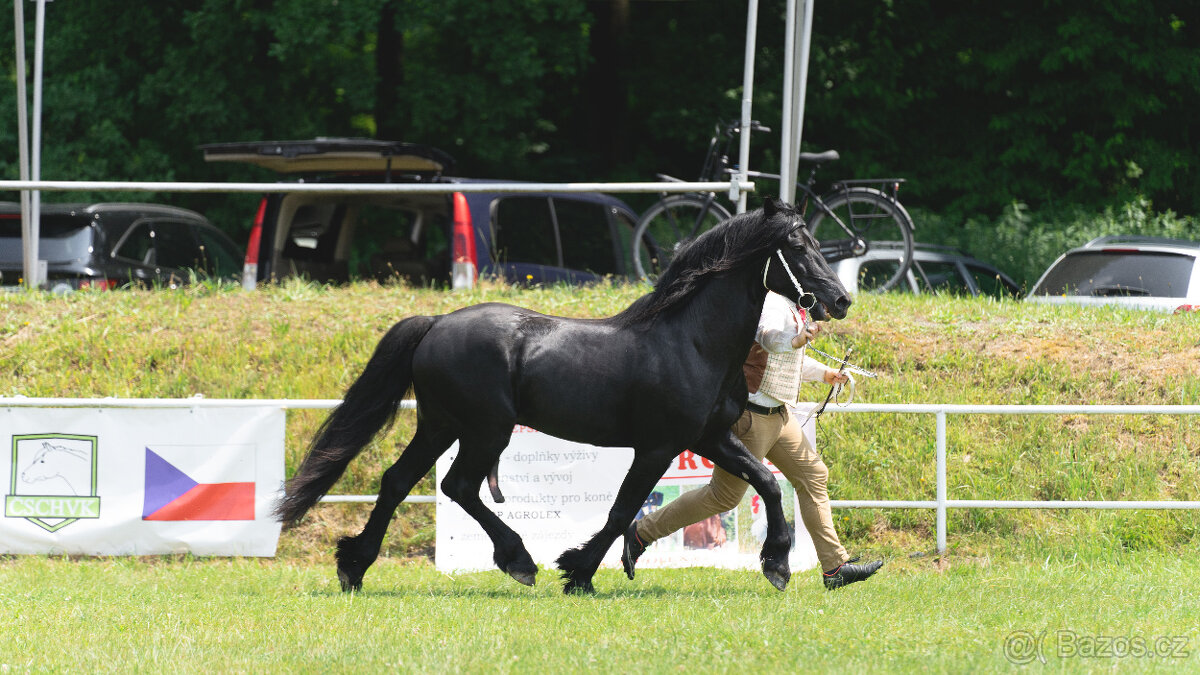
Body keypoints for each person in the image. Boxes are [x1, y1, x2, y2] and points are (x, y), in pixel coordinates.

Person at [621, 291, 883, 590]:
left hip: (779, 416)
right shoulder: (773, 304)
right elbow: (771, 337)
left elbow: (785, 358)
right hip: (753, 417)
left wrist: (824, 373)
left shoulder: (791, 306)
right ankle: (641, 533)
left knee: (813, 475)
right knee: (723, 496)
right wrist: (797, 339)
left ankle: (835, 567)